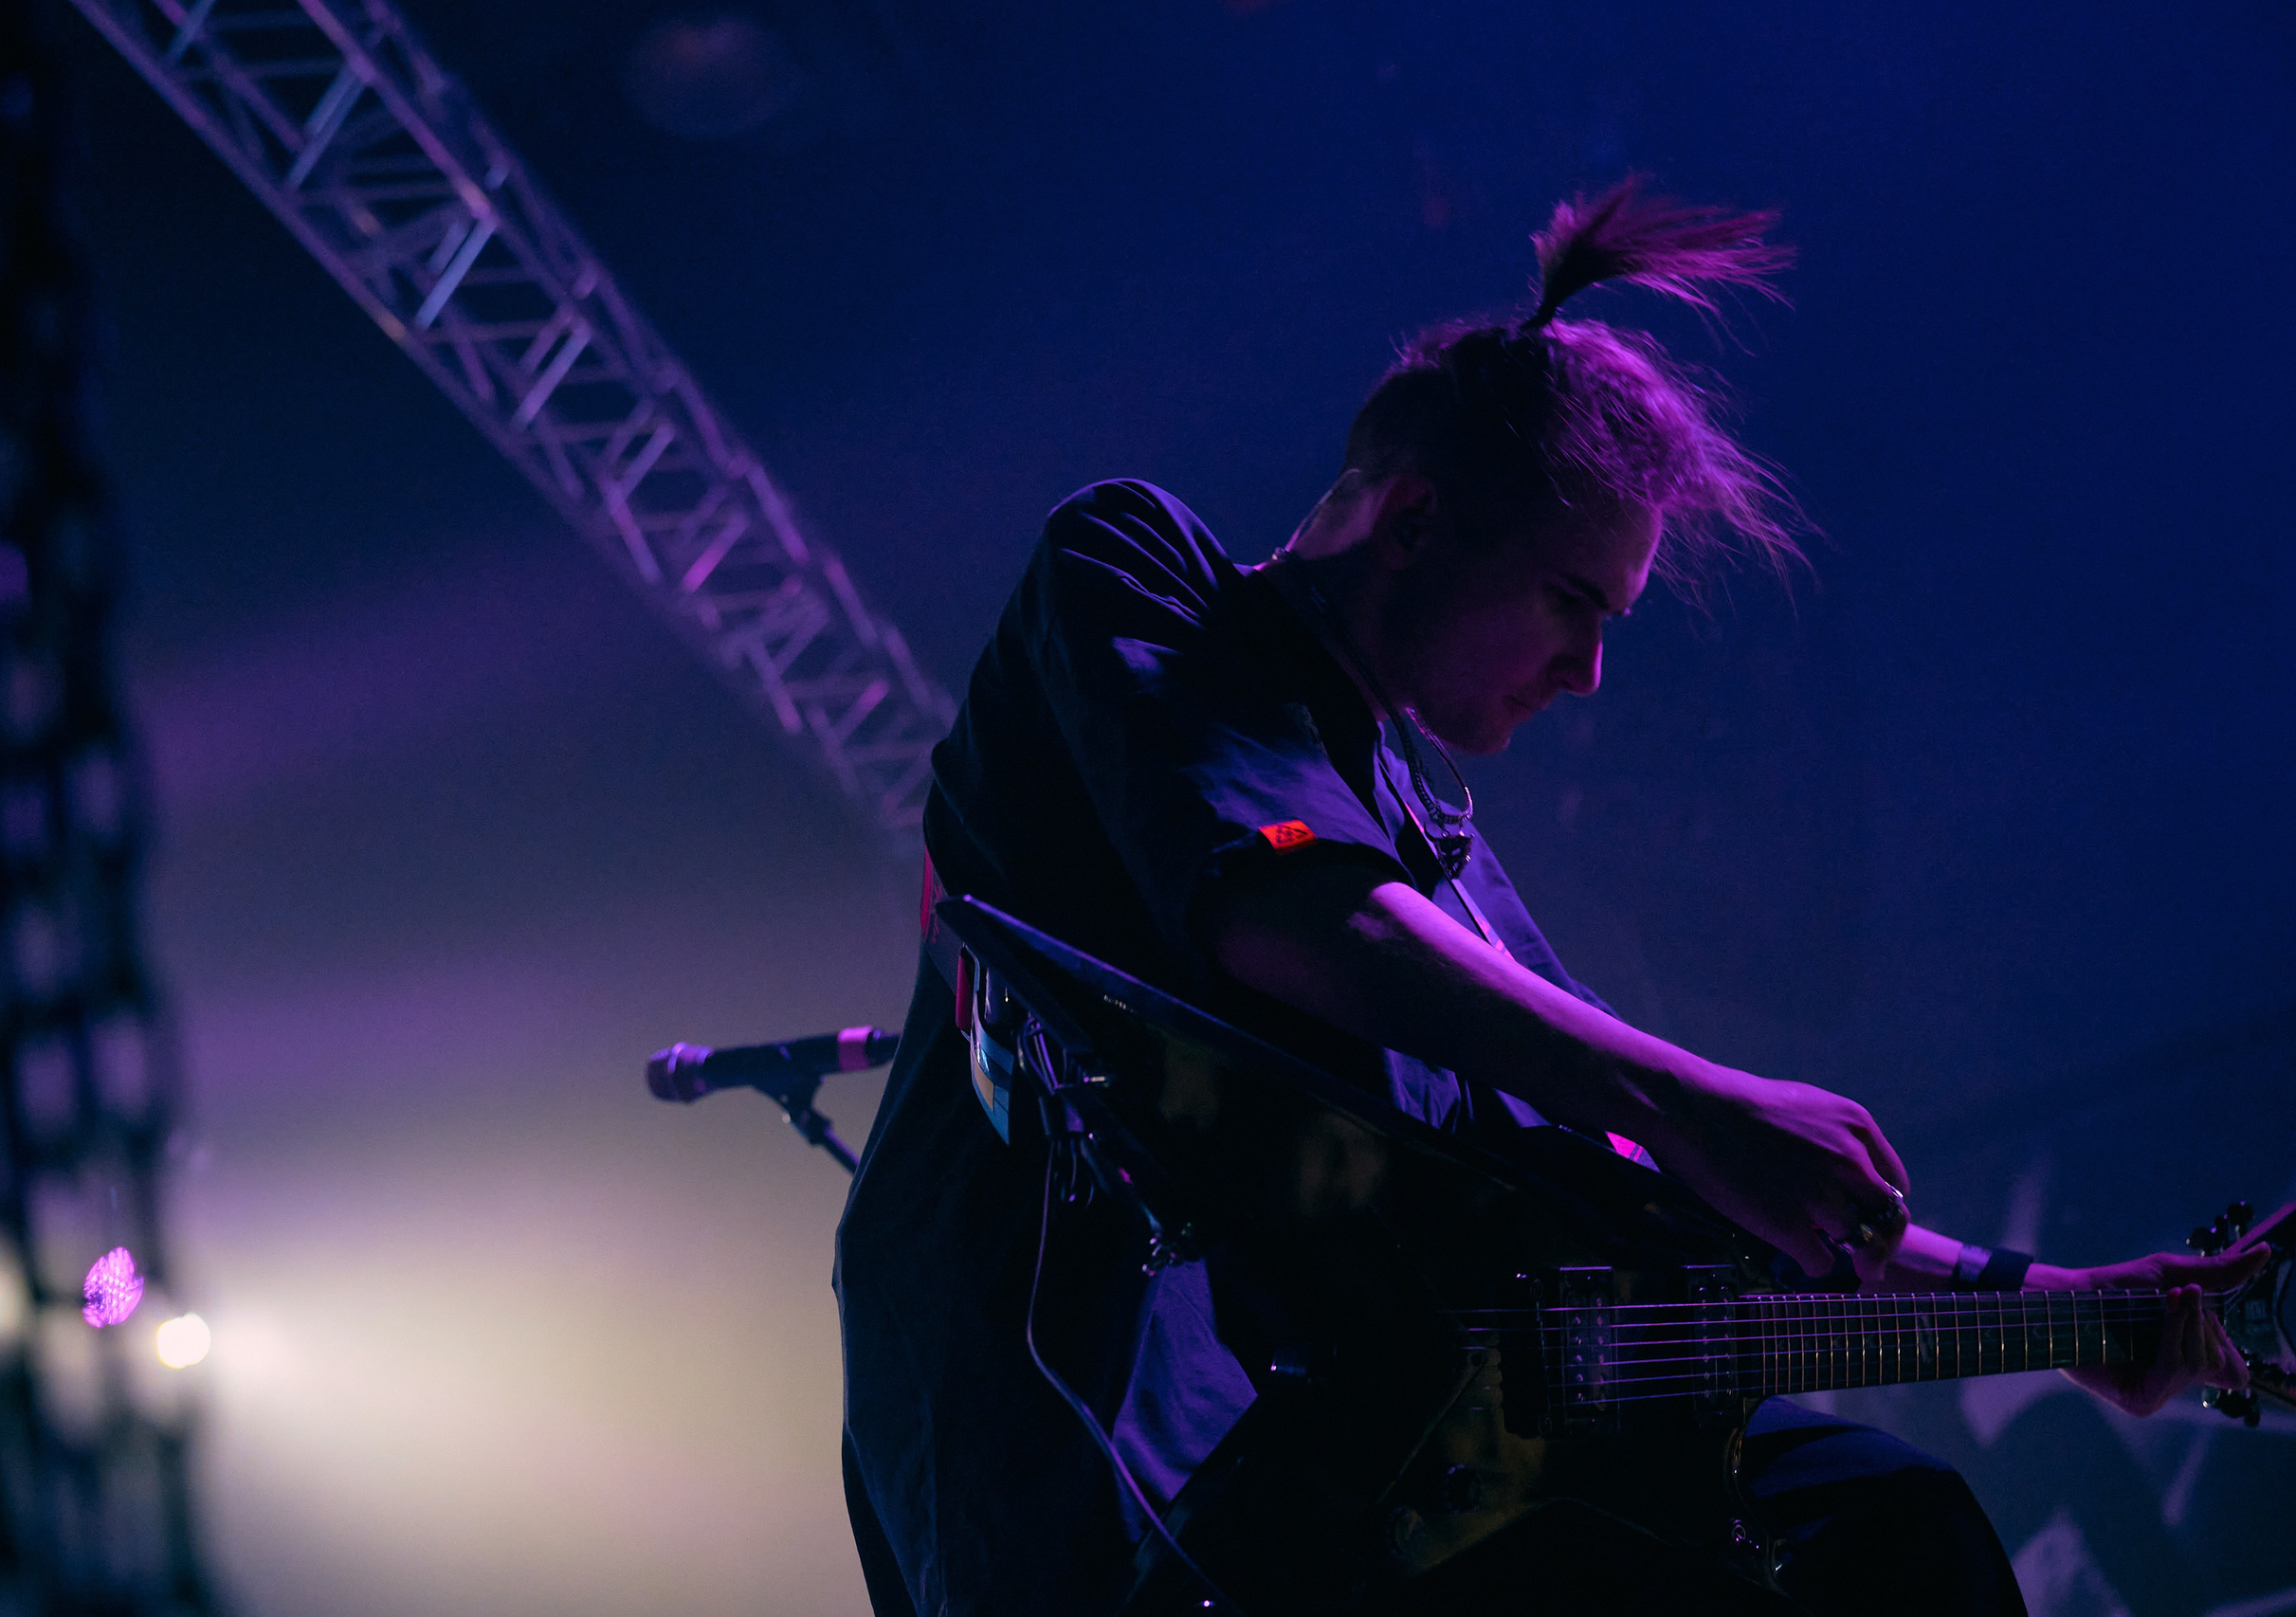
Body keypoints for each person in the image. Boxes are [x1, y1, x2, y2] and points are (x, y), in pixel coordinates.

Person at [831, 180, 2261, 1617]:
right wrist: (1696, 1096)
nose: (1587, 672)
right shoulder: (1141, 571)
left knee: (1887, 1527)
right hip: (1073, 1410)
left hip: (1360, 1459)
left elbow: (1640, 1174)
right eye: (1574, 600)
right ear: (1413, 518)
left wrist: (2062, 1307)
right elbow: (1285, 916)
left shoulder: (1428, 829)